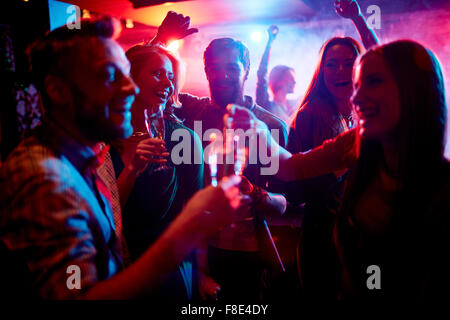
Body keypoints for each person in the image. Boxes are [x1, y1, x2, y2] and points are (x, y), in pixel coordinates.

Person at [0, 16, 241, 300]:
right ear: (58, 91)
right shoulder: (43, 176)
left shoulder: (80, 160)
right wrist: (188, 227)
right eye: (110, 76)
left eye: (126, 76)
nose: (129, 89)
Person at [231, 39, 450, 299]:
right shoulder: (356, 140)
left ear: (412, 89)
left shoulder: (442, 189)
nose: (356, 97)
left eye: (374, 82)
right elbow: (292, 167)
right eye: (358, 85)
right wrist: (259, 131)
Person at [151, 11, 288, 302]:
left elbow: (284, 204)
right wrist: (160, 41)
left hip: (248, 255)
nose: (221, 75)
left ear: (246, 68)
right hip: (193, 251)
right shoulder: (188, 113)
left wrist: (260, 197)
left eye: (231, 68)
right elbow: (140, 82)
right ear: (206, 71)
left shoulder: (270, 127)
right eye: (214, 68)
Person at [285, 0, 379, 299]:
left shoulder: (362, 114)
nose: (340, 70)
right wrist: (340, 162)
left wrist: (359, 19)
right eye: (331, 63)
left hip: (358, 237)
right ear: (322, 71)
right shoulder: (313, 114)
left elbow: (385, 64)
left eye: (349, 62)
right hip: (324, 240)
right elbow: (300, 190)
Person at [108, 43, 204, 300]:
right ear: (129, 79)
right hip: (118, 262)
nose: (167, 83)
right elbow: (106, 213)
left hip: (167, 264)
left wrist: (202, 273)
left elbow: (195, 211)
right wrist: (131, 171)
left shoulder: (183, 138)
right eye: (157, 74)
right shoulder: (105, 140)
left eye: (171, 77)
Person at [256, 25, 297, 125]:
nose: (294, 82)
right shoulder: (266, 106)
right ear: (278, 80)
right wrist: (269, 43)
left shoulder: (296, 104)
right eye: (290, 79)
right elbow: (262, 75)